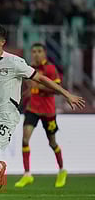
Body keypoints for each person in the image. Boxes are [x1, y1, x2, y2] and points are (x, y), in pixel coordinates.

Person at [0, 25, 84, 200]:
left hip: (5, 118)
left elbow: (40, 79)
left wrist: (66, 94)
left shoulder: (14, 62)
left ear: (3, 42)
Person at [15, 43, 67, 188]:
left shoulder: (50, 68)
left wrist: (39, 86)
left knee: (52, 143)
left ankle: (62, 170)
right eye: (34, 51)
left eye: (39, 51)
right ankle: (27, 174)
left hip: (48, 111)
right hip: (32, 109)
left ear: (44, 53)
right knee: (25, 139)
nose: (36, 54)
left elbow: (57, 89)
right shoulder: (31, 69)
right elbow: (29, 88)